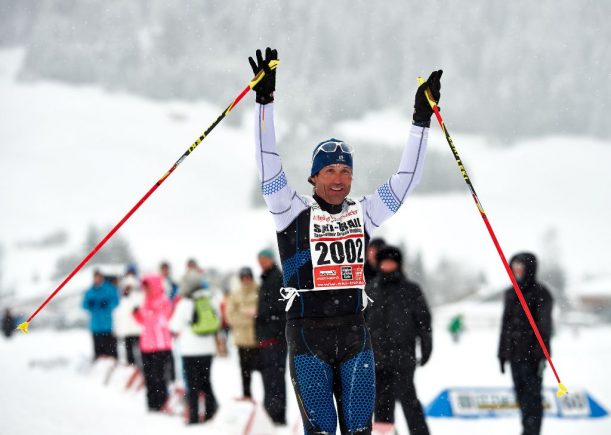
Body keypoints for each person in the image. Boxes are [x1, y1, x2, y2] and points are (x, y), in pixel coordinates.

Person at [249, 46, 441, 434]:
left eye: (345, 172)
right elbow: (267, 159)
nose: (338, 179)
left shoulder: (364, 213)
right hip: (306, 337)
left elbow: (406, 181)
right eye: (330, 171)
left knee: (359, 431)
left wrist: (421, 120)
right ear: (314, 177)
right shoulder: (289, 209)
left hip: (356, 335)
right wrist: (264, 101)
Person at [366, 245, 431, 435]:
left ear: (398, 264)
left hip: (403, 357)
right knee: (382, 405)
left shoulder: (411, 290)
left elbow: (424, 321)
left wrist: (426, 346)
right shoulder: (370, 289)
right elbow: (361, 323)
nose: (387, 265)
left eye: (391, 262)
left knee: (409, 401)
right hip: (377, 357)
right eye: (384, 262)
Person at [498, 252, 553, 435]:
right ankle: (527, 430)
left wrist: (540, 355)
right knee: (521, 398)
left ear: (529, 269)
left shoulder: (541, 293)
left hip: (532, 357)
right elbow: (505, 325)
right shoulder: (510, 293)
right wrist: (502, 353)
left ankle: (531, 432)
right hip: (514, 356)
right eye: (513, 268)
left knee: (532, 400)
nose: (516, 271)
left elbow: (544, 327)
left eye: (520, 267)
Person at [170, 269, 219, 424]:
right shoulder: (211, 299)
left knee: (192, 384)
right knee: (206, 381)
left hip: (190, 351)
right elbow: (218, 320)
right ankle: (211, 413)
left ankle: (193, 417)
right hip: (208, 349)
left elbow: (174, 326)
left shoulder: (185, 303)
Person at [255, 248, 287, 425]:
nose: (261, 262)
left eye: (264, 258)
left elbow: (278, 307)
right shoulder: (267, 277)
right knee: (269, 377)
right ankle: (271, 413)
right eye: (259, 259)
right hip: (267, 337)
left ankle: (276, 415)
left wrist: (260, 314)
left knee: (275, 377)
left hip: (275, 337)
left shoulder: (276, 278)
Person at [133, 274, 174, 411]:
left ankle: (162, 402)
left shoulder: (163, 300)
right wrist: (137, 314)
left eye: (147, 286)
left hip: (160, 345)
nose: (145, 289)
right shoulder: (144, 301)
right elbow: (144, 321)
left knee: (160, 376)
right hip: (146, 345)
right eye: (144, 287)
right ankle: (151, 403)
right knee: (149, 376)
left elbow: (164, 320)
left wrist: (152, 314)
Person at [226, 266, 259, 400]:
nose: (246, 280)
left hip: (258, 339)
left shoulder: (259, 290)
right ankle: (247, 395)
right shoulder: (235, 294)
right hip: (242, 340)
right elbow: (230, 316)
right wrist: (248, 316)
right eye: (243, 277)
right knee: (245, 372)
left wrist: (244, 313)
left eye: (248, 277)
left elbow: (261, 313)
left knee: (265, 373)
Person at [81, 269, 119, 360]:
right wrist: (89, 304)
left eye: (99, 278)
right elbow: (83, 305)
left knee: (111, 351)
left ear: (102, 278)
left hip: (107, 326)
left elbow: (116, 301)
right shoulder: (89, 291)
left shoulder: (109, 289)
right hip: (95, 326)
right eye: (95, 278)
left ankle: (113, 366)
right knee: (98, 352)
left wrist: (107, 304)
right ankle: (99, 368)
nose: (97, 280)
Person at [113, 274, 143, 366]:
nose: (128, 289)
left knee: (141, 352)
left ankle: (141, 367)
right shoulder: (121, 300)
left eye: (129, 287)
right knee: (129, 353)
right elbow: (118, 316)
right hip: (127, 331)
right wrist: (117, 330)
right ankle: (132, 367)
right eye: (126, 287)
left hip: (138, 331)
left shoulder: (139, 298)